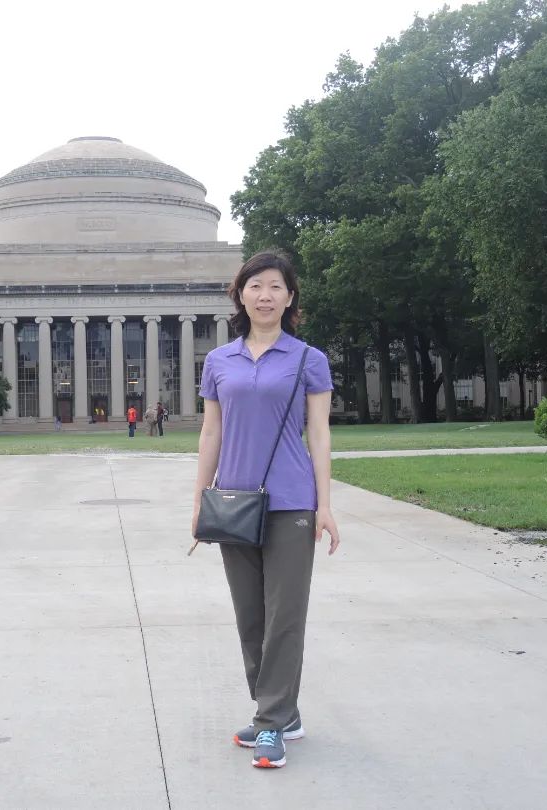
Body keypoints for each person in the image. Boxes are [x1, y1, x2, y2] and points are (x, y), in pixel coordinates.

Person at [192, 249, 341, 770]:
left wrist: (325, 504)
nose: (265, 295)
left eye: (275, 286)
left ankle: (271, 722)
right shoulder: (218, 361)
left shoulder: (308, 359)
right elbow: (211, 430)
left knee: (285, 617)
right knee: (250, 618)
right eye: (255, 285)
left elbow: (319, 434)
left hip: (292, 502)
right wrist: (199, 499)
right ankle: (282, 711)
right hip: (233, 502)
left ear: (290, 297)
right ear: (240, 294)